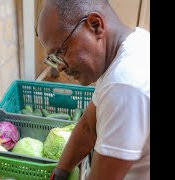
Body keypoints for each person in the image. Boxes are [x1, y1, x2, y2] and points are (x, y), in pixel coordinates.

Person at [37, 0, 150, 179]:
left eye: (60, 52)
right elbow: (89, 127)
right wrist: (60, 173)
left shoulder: (124, 84)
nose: (59, 68)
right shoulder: (131, 45)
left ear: (95, 26)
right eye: (54, 58)